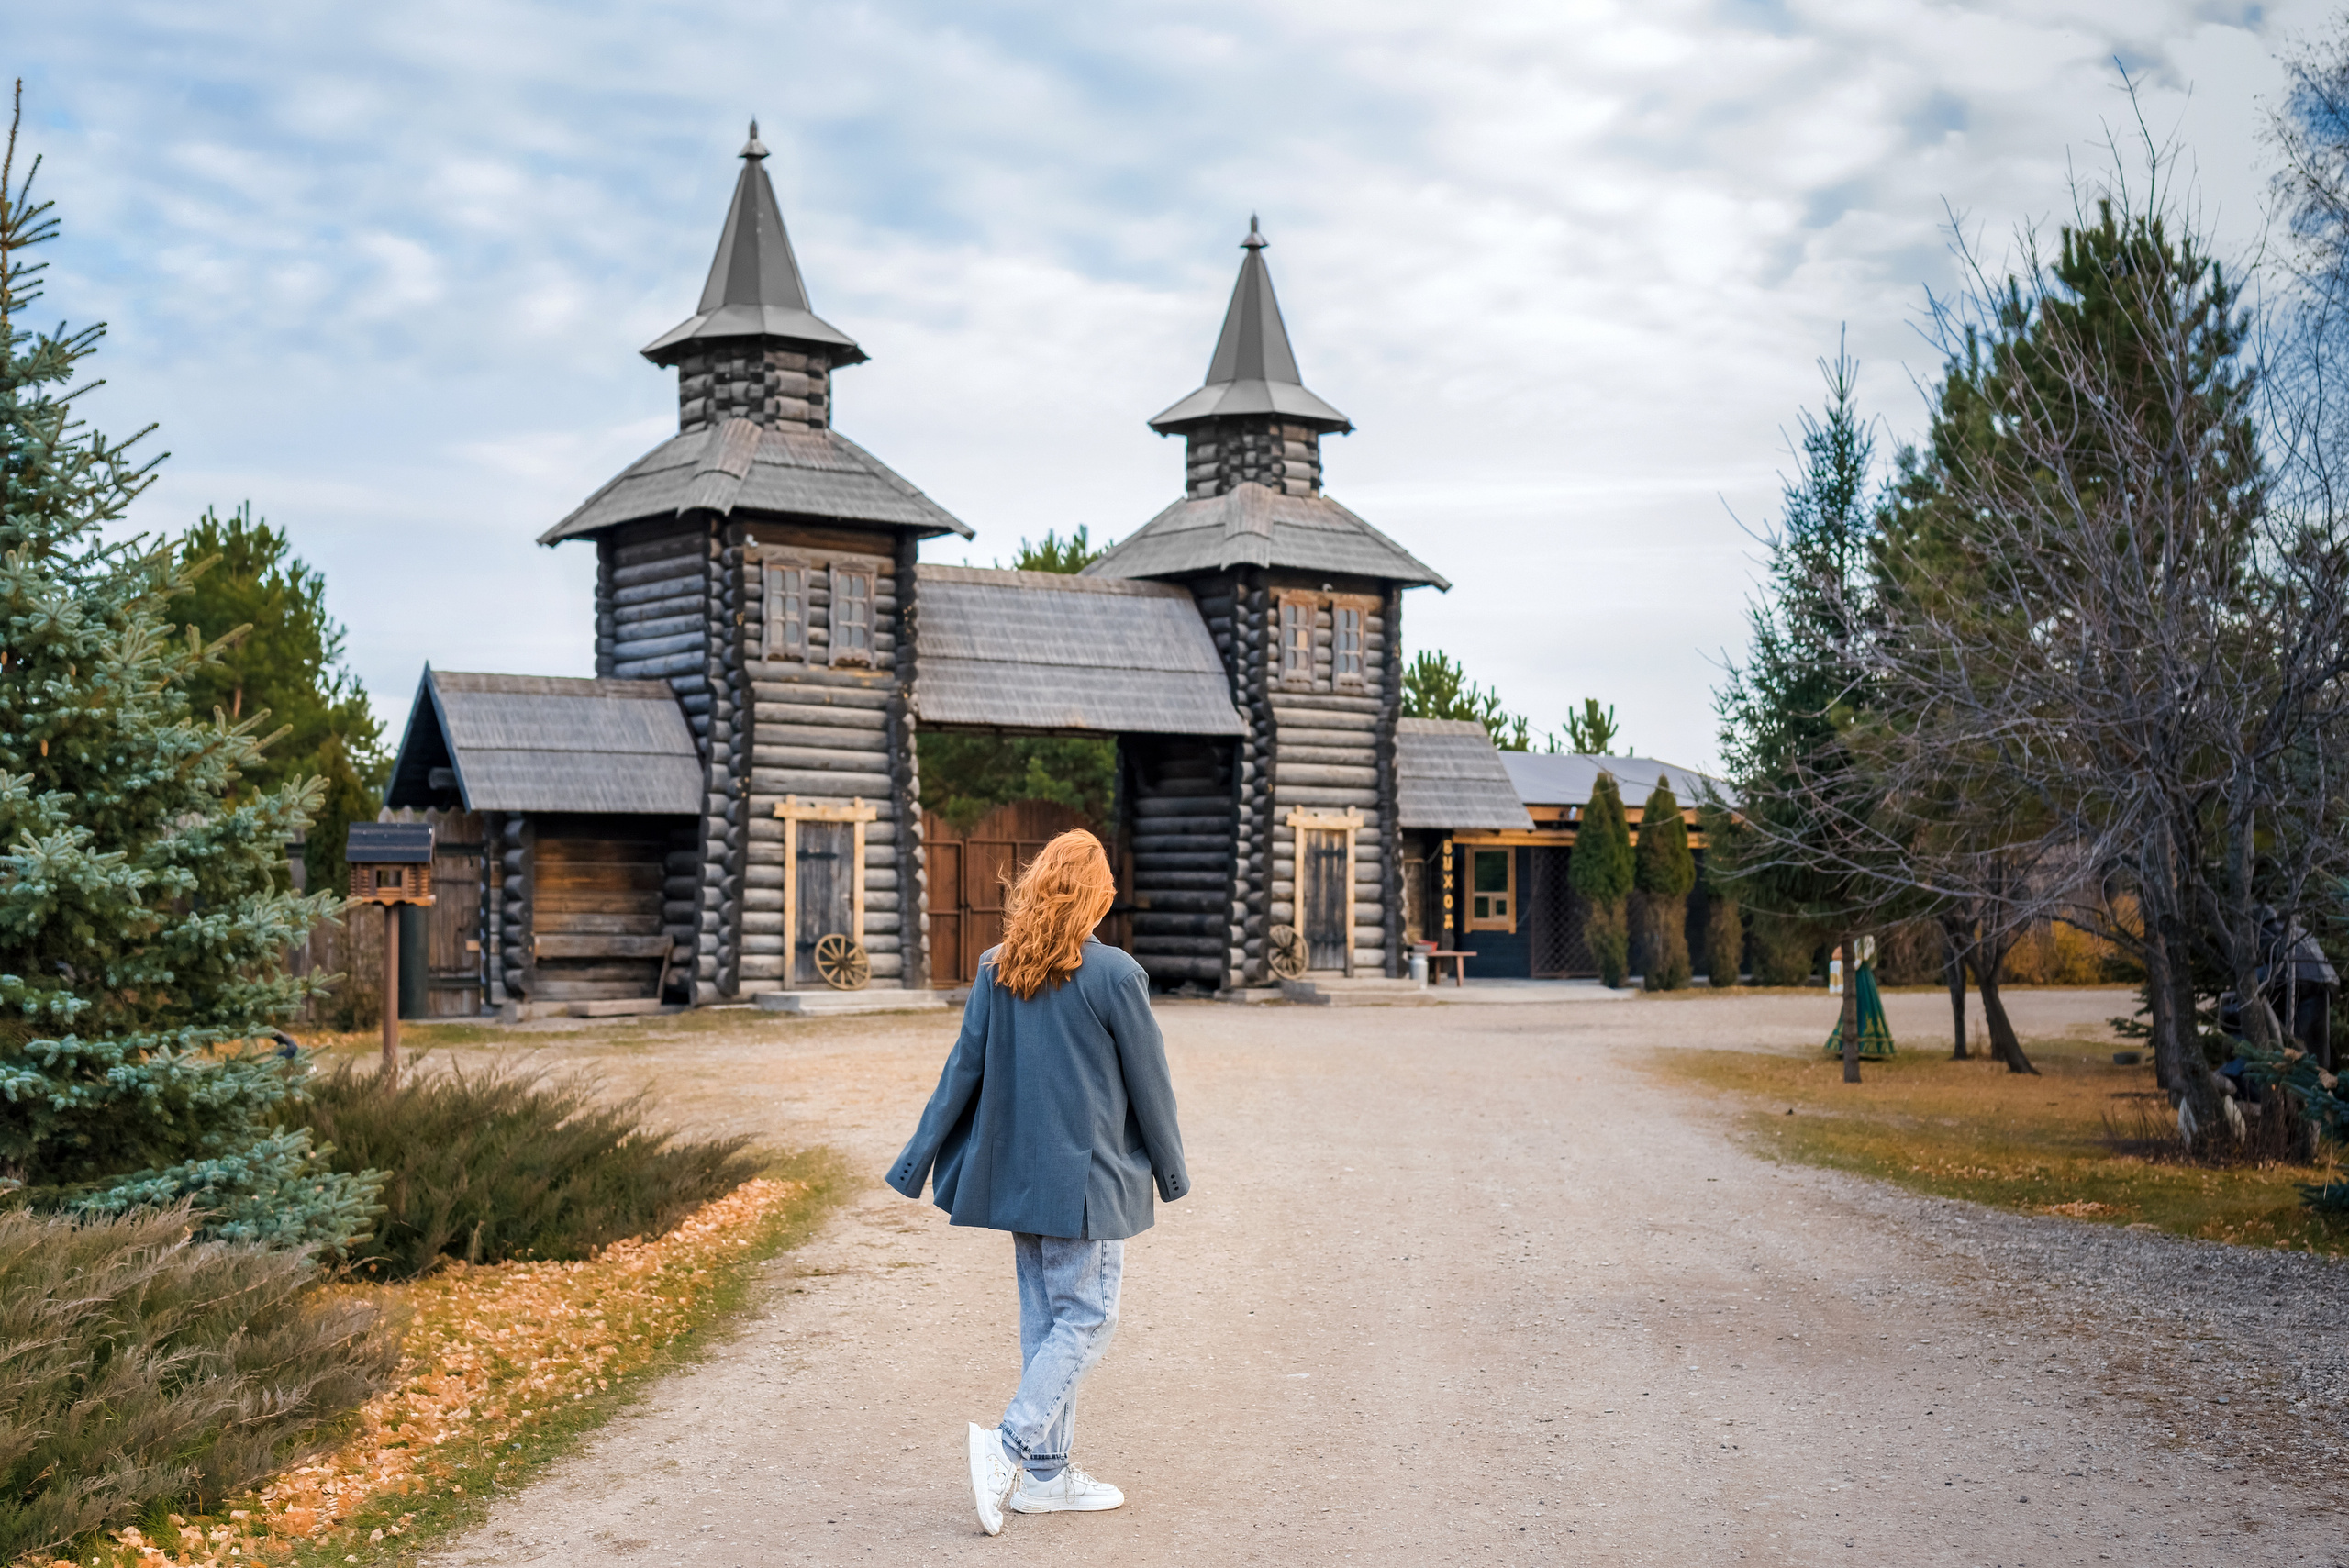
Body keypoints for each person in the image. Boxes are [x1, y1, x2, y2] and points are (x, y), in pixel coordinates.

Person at [886, 829, 1189, 1536]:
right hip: (1088, 1186)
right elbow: (1154, 1087)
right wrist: (1170, 1173)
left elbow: (960, 1073)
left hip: (1020, 1179)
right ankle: (1010, 1444)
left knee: (1047, 1324)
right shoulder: (1116, 974)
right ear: (1094, 893)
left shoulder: (999, 966)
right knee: (1089, 1317)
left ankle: (1047, 1477)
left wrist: (915, 1161)